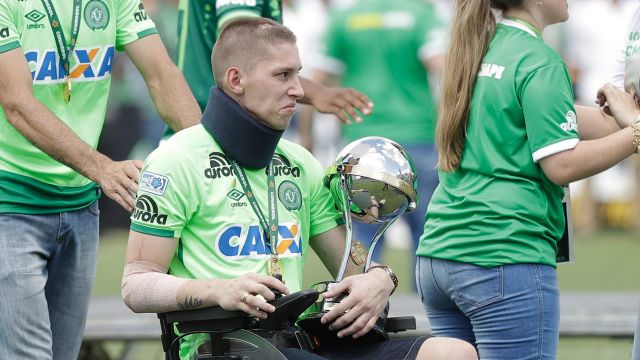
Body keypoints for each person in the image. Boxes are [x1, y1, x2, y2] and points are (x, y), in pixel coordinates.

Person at [121, 17, 478, 360]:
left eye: (298, 74)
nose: (299, 89)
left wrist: (380, 279)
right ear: (236, 80)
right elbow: (136, 285)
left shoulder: (299, 162)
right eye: (282, 75)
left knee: (453, 353)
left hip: (299, 341)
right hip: (225, 347)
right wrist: (218, 290)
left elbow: (352, 264)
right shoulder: (174, 160)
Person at [415, 0, 640, 359]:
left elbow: (550, 116)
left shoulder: (478, 46)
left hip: (439, 256)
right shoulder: (540, 59)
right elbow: (561, 165)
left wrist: (622, 116)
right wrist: (636, 135)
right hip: (502, 256)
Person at [0, 1, 201, 359]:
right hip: (11, 203)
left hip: (80, 204)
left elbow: (161, 75)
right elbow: (16, 103)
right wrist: (101, 167)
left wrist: (208, 160)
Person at [308, 0, 446, 279]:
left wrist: (306, 138)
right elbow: (443, 69)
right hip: (418, 137)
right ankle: (431, 316)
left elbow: (316, 79)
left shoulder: (345, 18)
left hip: (363, 149)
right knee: (429, 237)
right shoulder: (420, 13)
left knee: (361, 238)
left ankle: (365, 313)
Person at [161, 0, 373, 142]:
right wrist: (317, 93)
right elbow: (246, 49)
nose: (297, 91)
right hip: (214, 147)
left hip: (205, 142)